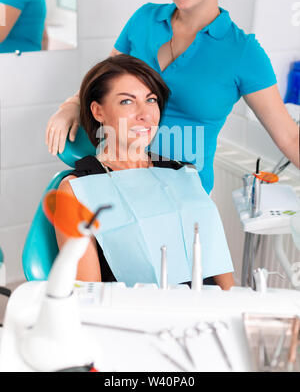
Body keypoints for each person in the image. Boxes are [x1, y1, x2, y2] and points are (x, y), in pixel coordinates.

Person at [46, 0, 299, 195]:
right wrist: (71, 105)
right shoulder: (144, 19)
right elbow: (102, 82)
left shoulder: (243, 52)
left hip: (181, 196)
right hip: (117, 180)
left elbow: (290, 137)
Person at [55, 54, 234, 290]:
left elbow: (219, 266)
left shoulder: (182, 173)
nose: (146, 114)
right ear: (98, 111)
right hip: (134, 317)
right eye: (127, 102)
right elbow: (89, 297)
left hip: (206, 309)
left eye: (151, 100)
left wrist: (235, 308)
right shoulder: (77, 190)